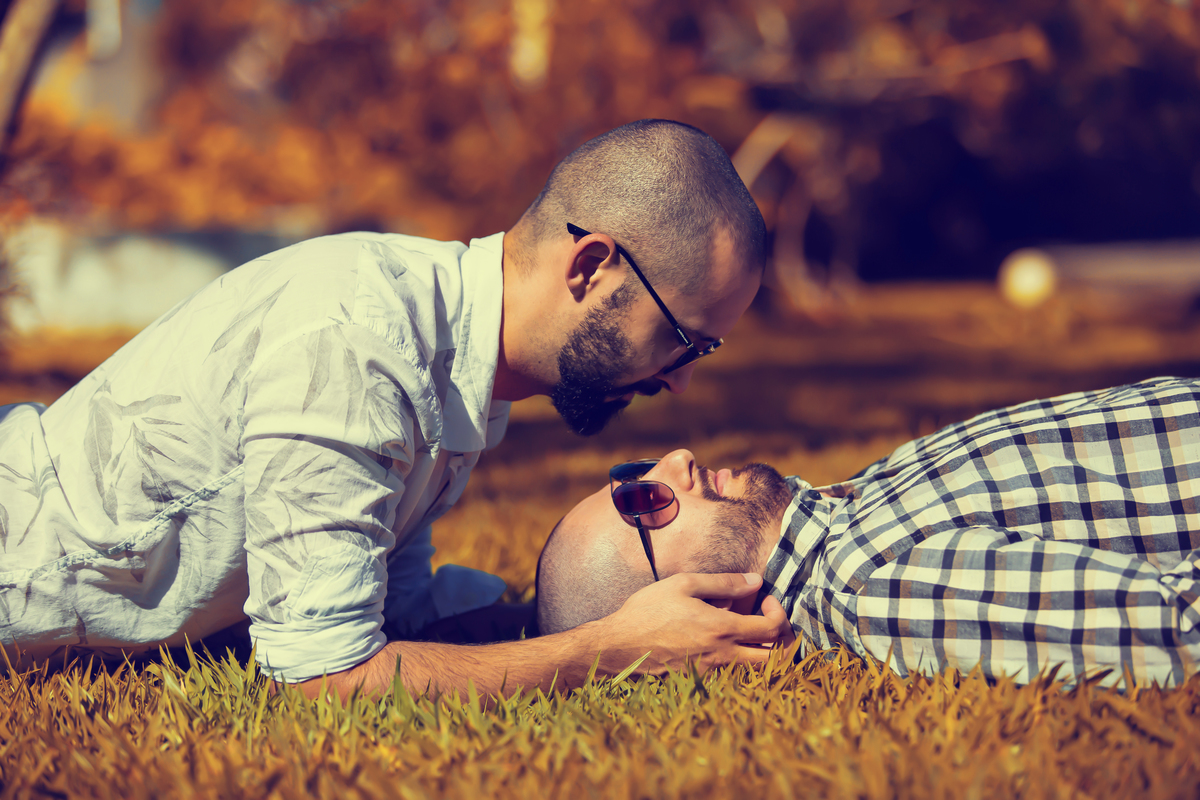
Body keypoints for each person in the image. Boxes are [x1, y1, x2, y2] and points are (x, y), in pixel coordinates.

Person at [0, 119, 794, 696]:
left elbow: (390, 609)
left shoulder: (461, 363)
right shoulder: (361, 341)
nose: (683, 380)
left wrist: (588, 612)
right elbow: (323, 677)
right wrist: (615, 648)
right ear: (590, 266)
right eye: (684, 338)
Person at [537, 377, 1200, 688]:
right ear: (686, 606)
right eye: (643, 499)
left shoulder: (846, 509)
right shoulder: (878, 588)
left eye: (632, 472)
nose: (675, 460)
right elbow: (1176, 627)